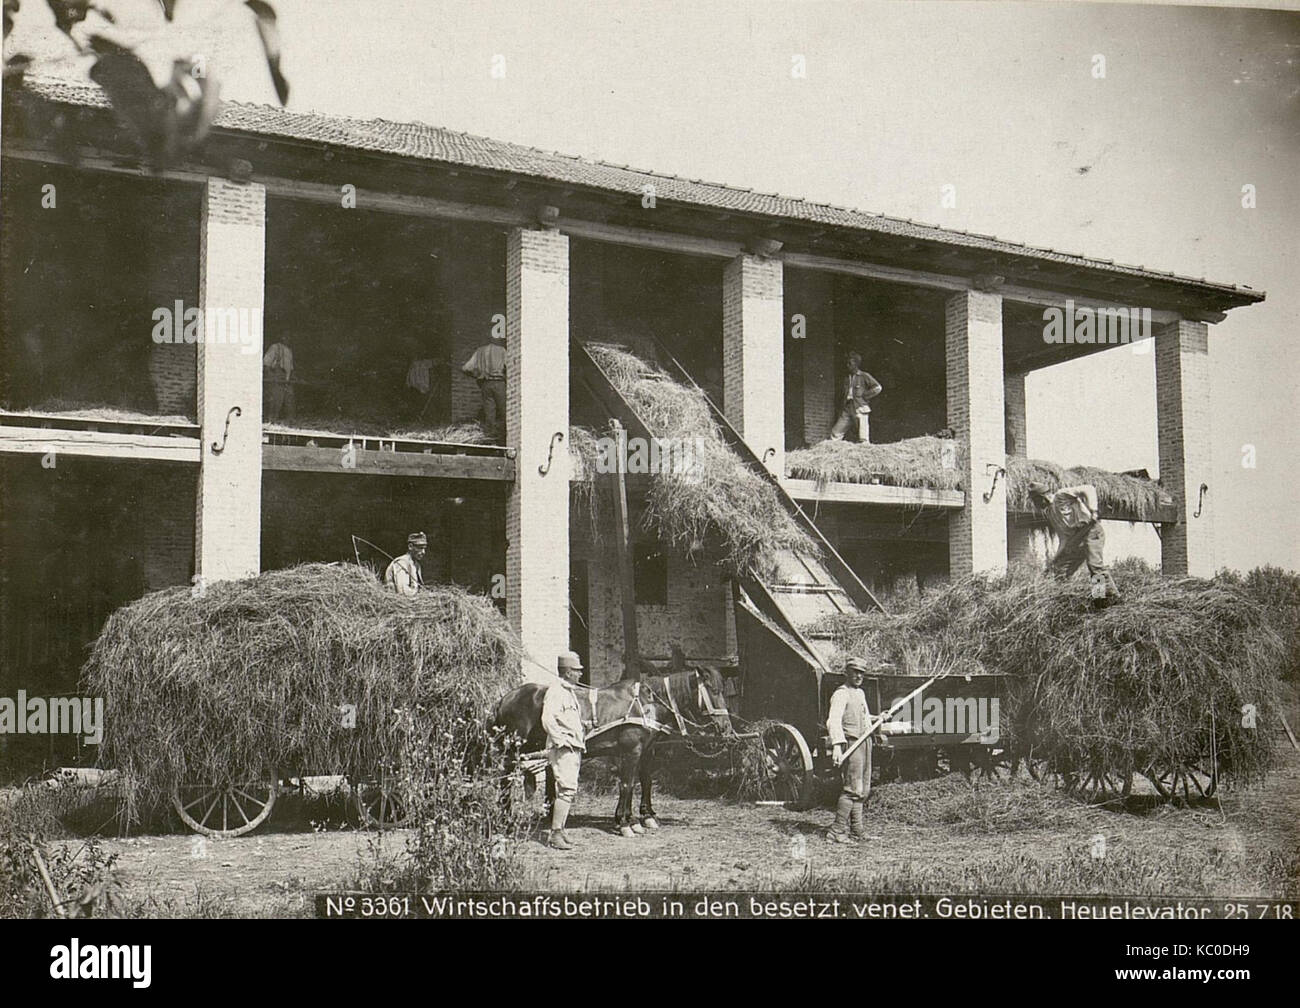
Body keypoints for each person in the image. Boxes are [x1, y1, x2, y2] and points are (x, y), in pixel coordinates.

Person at [1026, 482, 1121, 602]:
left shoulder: (1061, 495)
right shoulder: (1050, 513)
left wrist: (1093, 511)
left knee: (1094, 565)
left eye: (1035, 500)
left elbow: (1089, 489)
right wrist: (1055, 560)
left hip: (1091, 531)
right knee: (1060, 570)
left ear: (1041, 497)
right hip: (1076, 538)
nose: (1035, 504)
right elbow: (1064, 539)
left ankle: (1104, 598)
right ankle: (1064, 600)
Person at [542, 651, 587, 851]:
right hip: (564, 748)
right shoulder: (556, 691)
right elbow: (548, 718)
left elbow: (566, 719)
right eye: (577, 671)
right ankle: (555, 834)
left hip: (573, 746)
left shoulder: (568, 692)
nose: (580, 675)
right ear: (567, 672)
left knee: (569, 789)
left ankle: (560, 828)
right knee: (566, 789)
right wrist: (560, 741)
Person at [826, 657, 872, 843]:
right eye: (855, 671)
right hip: (851, 743)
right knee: (852, 787)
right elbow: (833, 720)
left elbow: (864, 717)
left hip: (865, 742)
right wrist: (837, 746)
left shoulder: (860, 693)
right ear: (847, 673)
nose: (859, 675)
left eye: (862, 672)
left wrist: (879, 717)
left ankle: (857, 830)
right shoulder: (841, 694)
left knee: (863, 788)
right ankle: (836, 830)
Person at [461, 330, 506, 442]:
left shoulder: (479, 351)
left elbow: (466, 368)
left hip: (485, 384)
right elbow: (509, 366)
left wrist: (476, 376)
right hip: (498, 383)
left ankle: (490, 437)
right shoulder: (502, 351)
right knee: (504, 410)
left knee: (489, 412)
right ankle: (505, 436)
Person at [829, 351, 882, 443]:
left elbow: (878, 388)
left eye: (850, 363)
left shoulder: (864, 376)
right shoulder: (846, 378)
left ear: (856, 364)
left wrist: (865, 396)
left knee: (863, 436)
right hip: (848, 407)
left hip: (860, 406)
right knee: (835, 432)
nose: (847, 365)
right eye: (847, 363)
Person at [263, 339, 295, 422]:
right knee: (275, 400)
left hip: (286, 379)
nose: (287, 338)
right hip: (277, 378)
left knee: (288, 400)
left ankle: (287, 421)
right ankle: (271, 420)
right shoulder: (275, 347)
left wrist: (289, 378)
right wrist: (272, 377)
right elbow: (266, 364)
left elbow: (290, 368)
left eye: (289, 336)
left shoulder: (289, 351)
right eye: (285, 336)